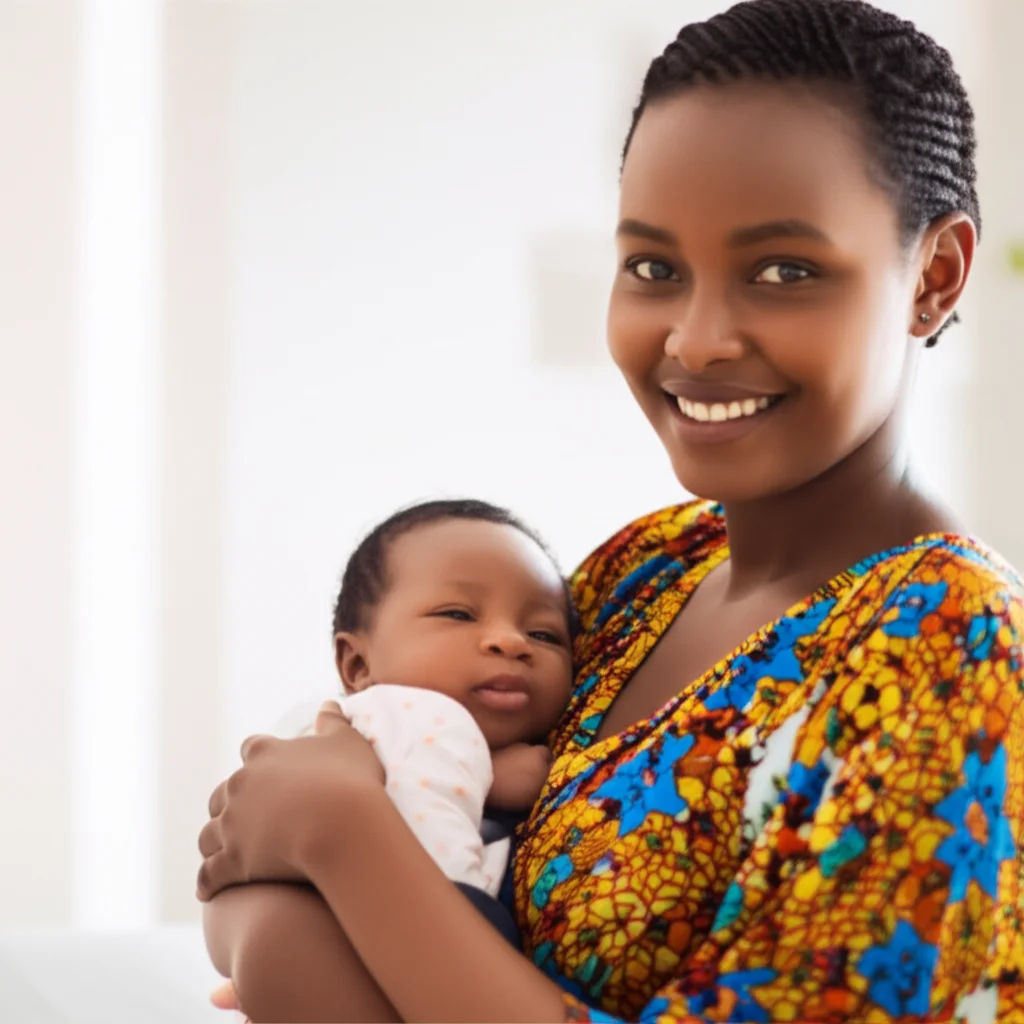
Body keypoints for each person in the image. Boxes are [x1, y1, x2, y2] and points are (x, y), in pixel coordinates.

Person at [196, 0, 1024, 1021]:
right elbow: (288, 857)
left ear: (932, 277)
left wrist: (339, 841)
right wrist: (291, 923)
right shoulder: (644, 570)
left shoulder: (950, 651)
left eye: (783, 271)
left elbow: (333, 838)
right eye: (652, 268)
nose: (696, 339)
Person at [204, 499, 576, 1018]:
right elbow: (431, 852)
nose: (510, 641)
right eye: (458, 614)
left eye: (544, 634)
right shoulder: (420, 715)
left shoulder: (357, 729)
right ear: (357, 663)